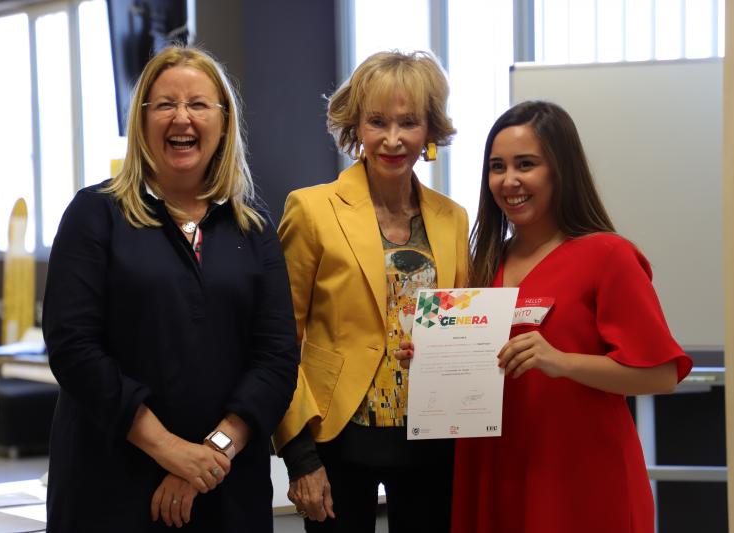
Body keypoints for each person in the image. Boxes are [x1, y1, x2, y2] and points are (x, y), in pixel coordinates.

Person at [397, 100, 693, 532]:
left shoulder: (608, 255)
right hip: (495, 473)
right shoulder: (484, 263)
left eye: (526, 164)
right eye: (497, 167)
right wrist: (430, 363)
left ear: (559, 170)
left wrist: (561, 361)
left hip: (579, 481)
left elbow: (662, 374)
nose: (509, 180)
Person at [42, 46, 299, 532]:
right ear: (141, 122)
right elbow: (74, 349)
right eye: (164, 105)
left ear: (223, 122)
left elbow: (277, 358)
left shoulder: (254, 229)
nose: (182, 117)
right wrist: (171, 450)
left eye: (199, 104)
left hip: (225, 486)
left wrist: (209, 455)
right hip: (111, 486)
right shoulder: (95, 215)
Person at [272, 50, 469, 533]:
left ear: (431, 131)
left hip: (432, 438)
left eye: (409, 122)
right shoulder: (312, 209)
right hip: (337, 437)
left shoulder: (453, 218)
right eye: (378, 121)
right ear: (355, 127)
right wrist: (298, 455)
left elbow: (460, 328)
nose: (394, 139)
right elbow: (277, 340)